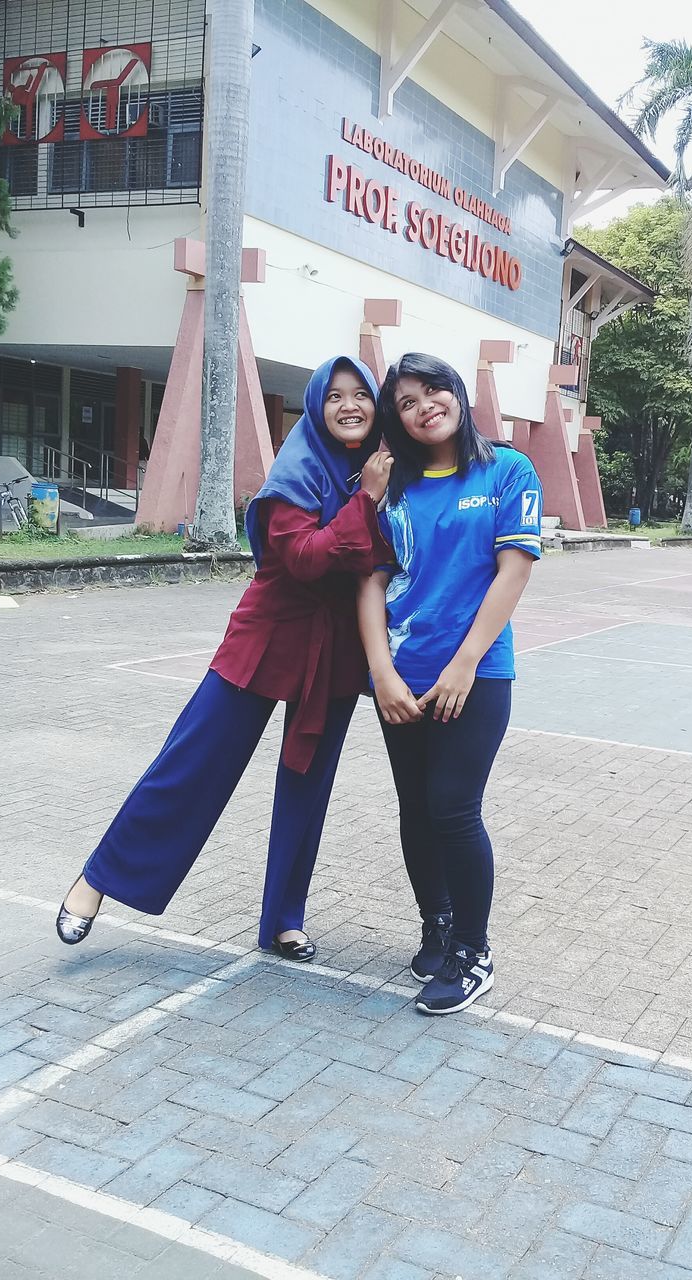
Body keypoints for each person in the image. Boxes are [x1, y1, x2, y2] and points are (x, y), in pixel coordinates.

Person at [56, 356, 394, 961]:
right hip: (267, 634)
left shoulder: (385, 468)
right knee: (192, 761)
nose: (350, 406)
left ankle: (284, 920)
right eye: (335, 395)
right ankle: (97, 880)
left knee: (308, 785)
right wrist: (366, 499)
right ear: (316, 406)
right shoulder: (301, 470)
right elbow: (306, 558)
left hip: (335, 646)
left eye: (361, 395)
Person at [357, 352, 542, 1015]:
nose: (423, 405)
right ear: (397, 420)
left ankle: (472, 950)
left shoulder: (506, 471)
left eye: (433, 389)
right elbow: (372, 580)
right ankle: (435, 924)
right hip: (401, 676)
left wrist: (463, 663)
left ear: (458, 394)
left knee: (453, 808)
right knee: (415, 808)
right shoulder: (394, 489)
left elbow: (512, 571)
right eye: (406, 402)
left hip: (476, 674)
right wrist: (379, 672)